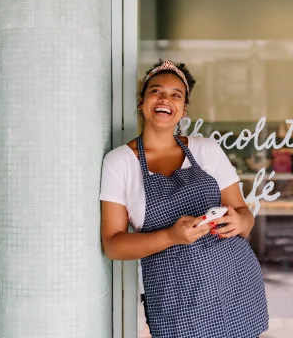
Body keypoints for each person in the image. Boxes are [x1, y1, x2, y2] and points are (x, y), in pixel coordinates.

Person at [100, 59, 268, 337]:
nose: (165, 98)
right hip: (176, 299)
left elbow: (244, 214)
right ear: (142, 101)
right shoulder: (119, 163)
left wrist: (240, 222)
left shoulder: (207, 150)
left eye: (176, 94)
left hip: (233, 284)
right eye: (156, 91)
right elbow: (113, 245)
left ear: (183, 110)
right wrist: (171, 236)